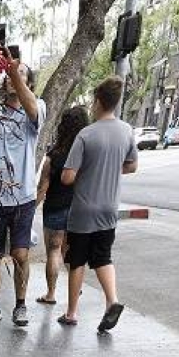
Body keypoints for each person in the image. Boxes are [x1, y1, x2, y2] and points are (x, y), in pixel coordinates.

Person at [58, 75, 138, 334]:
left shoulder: (86, 134)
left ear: (97, 101)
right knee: (103, 256)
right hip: (109, 208)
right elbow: (132, 165)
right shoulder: (126, 131)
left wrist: (87, 172)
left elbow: (67, 176)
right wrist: (111, 169)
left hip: (83, 210)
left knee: (77, 260)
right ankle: (112, 301)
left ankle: (71, 313)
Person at [0, 58, 46, 330]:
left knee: (20, 255)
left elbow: (31, 107)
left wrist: (14, 74)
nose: (10, 78)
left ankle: (20, 305)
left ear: (28, 83)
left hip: (23, 199)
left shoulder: (36, 109)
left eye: (19, 75)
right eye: (8, 74)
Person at [35, 104, 89, 308]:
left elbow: (42, 188)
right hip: (77, 210)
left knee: (53, 251)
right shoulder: (86, 154)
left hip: (55, 209)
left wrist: (31, 210)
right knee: (70, 252)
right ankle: (76, 286)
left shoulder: (54, 156)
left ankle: (50, 293)